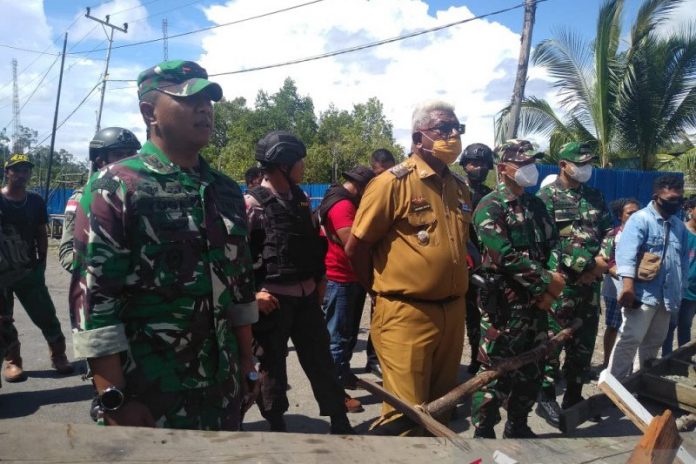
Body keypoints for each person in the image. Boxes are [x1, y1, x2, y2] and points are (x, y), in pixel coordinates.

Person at [70, 59, 258, 430]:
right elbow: (95, 302)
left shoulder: (224, 188)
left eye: (208, 99)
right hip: (149, 397)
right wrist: (114, 397)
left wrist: (248, 364)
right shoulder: (117, 186)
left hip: (223, 388)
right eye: (188, 100)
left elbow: (239, 288)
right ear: (149, 112)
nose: (204, 108)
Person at [346, 100, 470, 435]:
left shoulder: (459, 188)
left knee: (441, 409)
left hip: (453, 312)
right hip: (406, 312)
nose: (453, 135)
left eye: (457, 128)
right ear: (418, 138)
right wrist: (375, 289)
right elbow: (356, 247)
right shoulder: (391, 183)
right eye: (443, 128)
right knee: (407, 416)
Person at [246, 130, 355, 434]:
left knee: (321, 361)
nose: (303, 166)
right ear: (283, 163)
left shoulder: (301, 199)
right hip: (273, 303)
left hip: (307, 298)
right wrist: (253, 295)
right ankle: (277, 425)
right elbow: (234, 260)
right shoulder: (253, 204)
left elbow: (312, 244)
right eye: (299, 161)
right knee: (273, 370)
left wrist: (320, 281)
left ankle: (339, 419)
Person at [470, 140, 563, 439]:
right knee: (495, 372)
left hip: (537, 305)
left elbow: (554, 245)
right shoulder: (489, 206)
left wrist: (550, 280)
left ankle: (518, 424)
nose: (529, 169)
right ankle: (483, 431)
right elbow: (504, 255)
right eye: (522, 164)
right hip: (506, 306)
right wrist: (546, 284)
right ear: (503, 169)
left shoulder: (536, 205)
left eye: (531, 163)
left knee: (533, 366)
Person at [536, 142, 612, 429]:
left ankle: (574, 396)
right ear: (563, 165)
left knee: (584, 343)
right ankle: (546, 398)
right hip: (562, 284)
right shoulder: (545, 198)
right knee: (553, 342)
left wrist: (603, 259)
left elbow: (608, 230)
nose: (585, 168)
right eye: (579, 163)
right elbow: (551, 240)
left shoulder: (595, 196)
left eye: (588, 163)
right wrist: (587, 265)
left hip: (590, 287)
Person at [0, 154, 74, 382]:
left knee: (45, 313)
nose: (22, 175)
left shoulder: (35, 201)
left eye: (26, 170)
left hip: (28, 270)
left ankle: (58, 354)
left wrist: (41, 261)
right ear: (7, 173)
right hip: (1, 274)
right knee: (3, 319)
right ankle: (13, 360)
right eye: (17, 170)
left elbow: (42, 232)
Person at [608, 175, 688, 380]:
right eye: (671, 199)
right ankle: (613, 387)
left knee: (654, 342)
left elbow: (682, 262)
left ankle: (642, 381)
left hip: (667, 296)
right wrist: (627, 287)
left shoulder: (679, 226)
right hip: (642, 295)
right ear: (657, 197)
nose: (676, 204)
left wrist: (680, 292)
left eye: (679, 200)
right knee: (630, 339)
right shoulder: (640, 219)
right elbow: (625, 255)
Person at [316, 165, 375, 390]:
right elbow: (352, 244)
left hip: (350, 277)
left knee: (346, 334)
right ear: (361, 187)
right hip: (340, 278)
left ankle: (344, 373)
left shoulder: (344, 200)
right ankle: (335, 390)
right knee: (337, 338)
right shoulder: (342, 206)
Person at [59, 127, 141, 272]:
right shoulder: (82, 198)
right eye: (120, 155)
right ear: (100, 161)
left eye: (132, 154)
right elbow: (67, 253)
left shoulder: (141, 195)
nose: (129, 161)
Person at [458, 142, 494, 375]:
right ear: (464, 165)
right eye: (473, 163)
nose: (477, 167)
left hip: (482, 266)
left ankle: (477, 356)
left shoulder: (492, 196)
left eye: (482, 164)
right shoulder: (455, 190)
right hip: (457, 262)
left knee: (479, 316)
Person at [364, 148, 397, 378]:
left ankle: (382, 358)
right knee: (378, 317)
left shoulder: (397, 185)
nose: (383, 175)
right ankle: (373, 359)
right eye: (379, 171)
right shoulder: (373, 188)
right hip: (377, 265)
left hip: (392, 264)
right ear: (374, 168)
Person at [600, 198, 640, 367]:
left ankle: (627, 365)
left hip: (636, 288)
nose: (635, 216)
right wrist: (624, 273)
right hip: (614, 288)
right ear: (620, 215)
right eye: (630, 213)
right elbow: (606, 260)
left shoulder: (642, 233)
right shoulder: (613, 234)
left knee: (631, 328)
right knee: (613, 325)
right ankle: (607, 362)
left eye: (637, 212)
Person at [662, 195, 696, 354]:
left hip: (693, 292)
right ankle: (666, 359)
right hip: (677, 287)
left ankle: (682, 359)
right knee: (669, 326)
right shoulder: (680, 230)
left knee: (686, 326)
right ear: (691, 210)